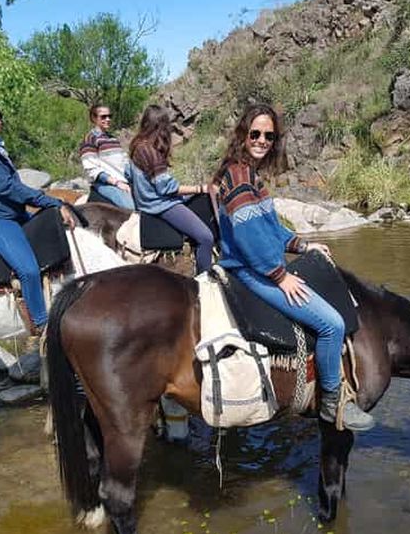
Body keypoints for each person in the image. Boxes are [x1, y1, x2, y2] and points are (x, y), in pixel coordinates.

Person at [212, 103, 375, 431]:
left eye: (268, 136)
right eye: (255, 133)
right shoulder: (239, 176)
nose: (261, 141)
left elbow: (272, 229)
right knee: (331, 325)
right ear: (243, 135)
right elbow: (250, 239)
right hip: (251, 269)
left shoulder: (250, 176)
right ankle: (333, 403)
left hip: (260, 264)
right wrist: (280, 275)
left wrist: (303, 245)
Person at [0, 97, 76, 336]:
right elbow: (7, 187)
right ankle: (41, 325)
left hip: (12, 214)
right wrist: (52, 201)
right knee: (28, 269)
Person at [126, 104, 214, 274]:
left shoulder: (136, 145)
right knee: (206, 237)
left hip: (147, 201)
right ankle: (206, 279)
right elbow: (167, 188)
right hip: (160, 205)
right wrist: (200, 187)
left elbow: (128, 175)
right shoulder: (151, 152)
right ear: (160, 126)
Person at [78, 104, 135, 210]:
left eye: (109, 116)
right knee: (131, 209)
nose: (108, 119)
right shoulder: (90, 139)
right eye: (103, 117)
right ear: (94, 118)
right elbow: (92, 170)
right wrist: (117, 183)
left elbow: (125, 163)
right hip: (105, 184)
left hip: (123, 181)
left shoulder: (113, 139)